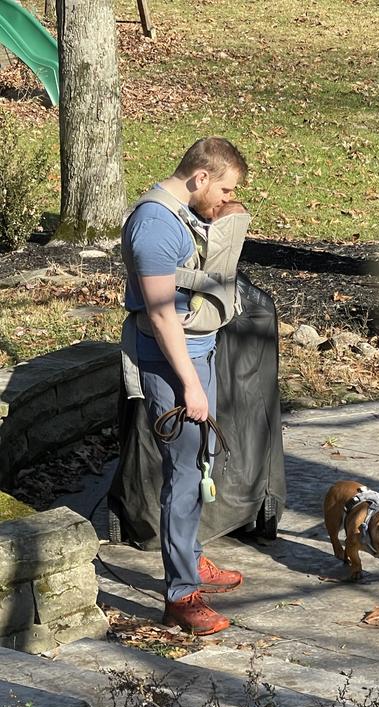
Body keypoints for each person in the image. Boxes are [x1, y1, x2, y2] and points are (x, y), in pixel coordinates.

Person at [120, 137, 249, 635]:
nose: (225, 199)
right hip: (172, 365)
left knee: (200, 464)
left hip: (197, 355)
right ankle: (180, 595)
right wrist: (191, 387)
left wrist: (226, 212)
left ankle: (191, 559)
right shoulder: (154, 226)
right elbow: (158, 314)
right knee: (185, 477)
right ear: (199, 177)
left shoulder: (182, 214)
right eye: (223, 189)